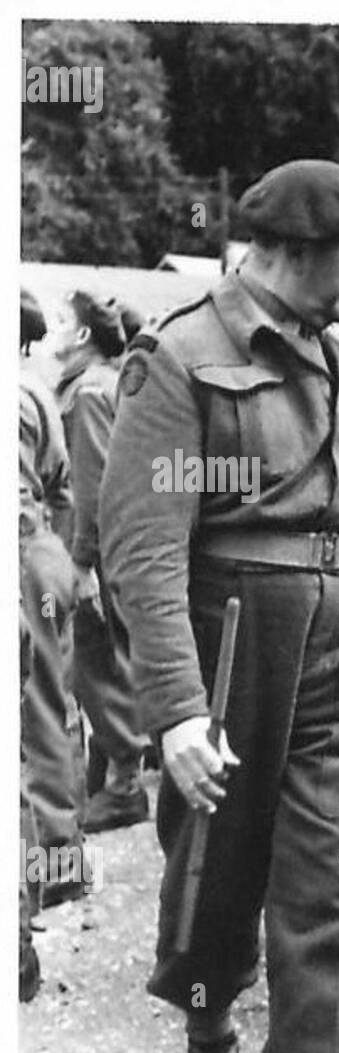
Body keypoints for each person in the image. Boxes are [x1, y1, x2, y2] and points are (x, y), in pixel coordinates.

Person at [101, 158, 339, 1053]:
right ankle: (210, 1024)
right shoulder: (181, 356)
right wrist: (177, 707)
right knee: (216, 872)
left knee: (329, 885)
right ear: (290, 252)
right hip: (231, 643)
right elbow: (141, 549)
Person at [50, 290, 151, 833]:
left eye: (64, 322)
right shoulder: (96, 385)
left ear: (85, 335)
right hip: (105, 549)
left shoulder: (87, 393)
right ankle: (106, 771)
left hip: (92, 551)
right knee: (105, 659)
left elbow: (93, 487)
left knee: (99, 664)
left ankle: (125, 785)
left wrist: (83, 563)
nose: (52, 332)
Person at [19, 287, 83, 910]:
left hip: (19, 557)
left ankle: (50, 868)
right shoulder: (35, 386)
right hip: (42, 553)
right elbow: (61, 488)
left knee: (34, 717)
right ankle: (59, 858)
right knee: (50, 711)